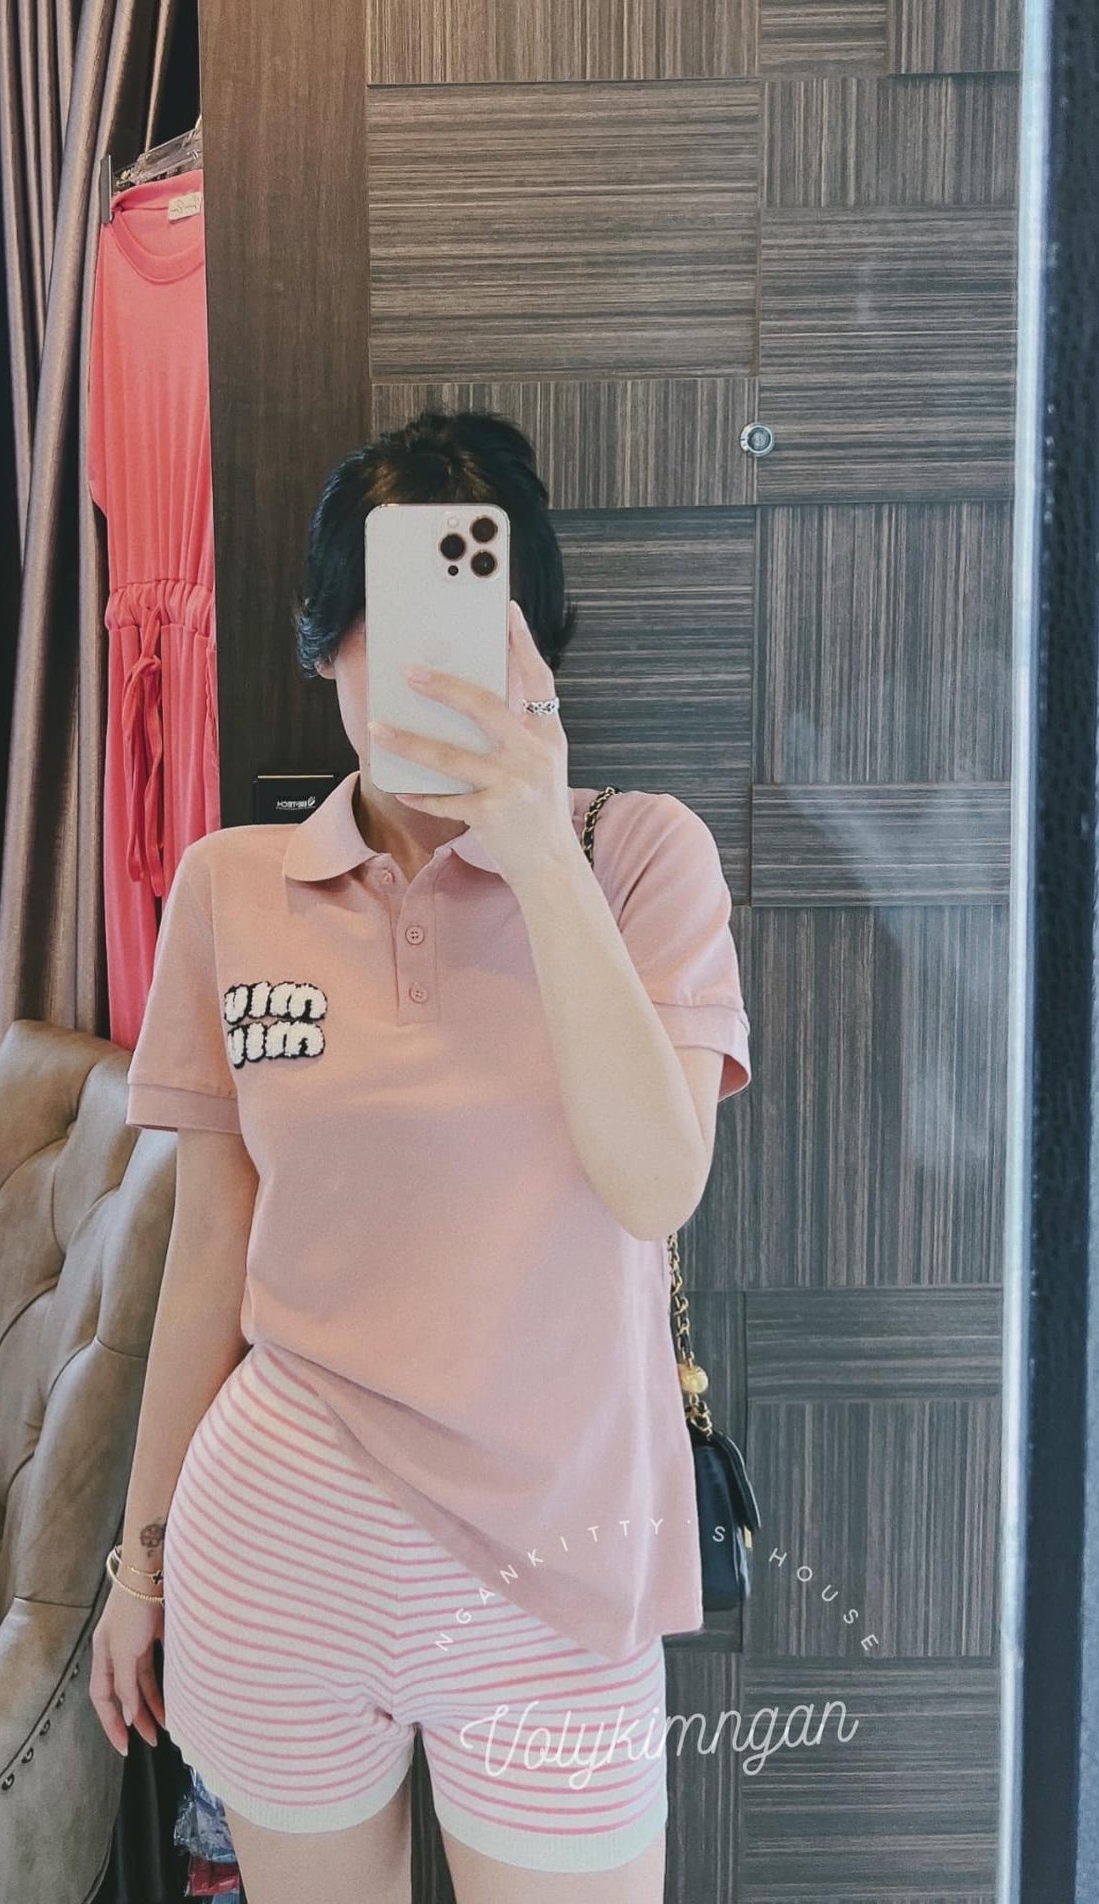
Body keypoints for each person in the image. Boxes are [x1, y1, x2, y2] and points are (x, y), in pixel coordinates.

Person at [88, 408, 752, 1903]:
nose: (419, 668)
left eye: (460, 621)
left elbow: (657, 1185)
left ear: (532, 645)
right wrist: (141, 1563)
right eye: (377, 624)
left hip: (561, 1582)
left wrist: (536, 849)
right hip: (275, 1558)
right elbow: (208, 1252)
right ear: (324, 646)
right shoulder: (230, 888)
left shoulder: (643, 859)